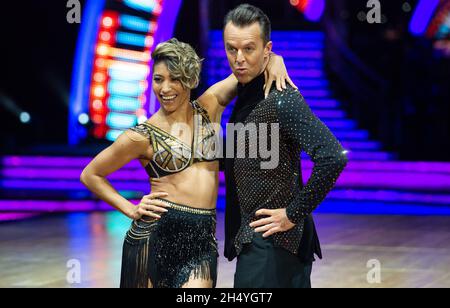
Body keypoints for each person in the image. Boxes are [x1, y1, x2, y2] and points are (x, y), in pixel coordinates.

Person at [80, 38, 294, 288]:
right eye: (159, 79)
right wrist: (131, 209)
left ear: (191, 79)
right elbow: (91, 174)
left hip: (201, 242)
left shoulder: (209, 107)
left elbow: (249, 67)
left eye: (175, 78)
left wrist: (275, 60)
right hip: (153, 238)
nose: (165, 88)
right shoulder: (141, 135)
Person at [222, 4, 349, 288]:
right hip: (260, 243)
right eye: (232, 49)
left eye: (249, 49)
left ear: (267, 49)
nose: (239, 59)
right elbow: (244, 158)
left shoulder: (282, 99)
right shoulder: (247, 94)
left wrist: (293, 214)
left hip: (275, 245)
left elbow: (333, 156)